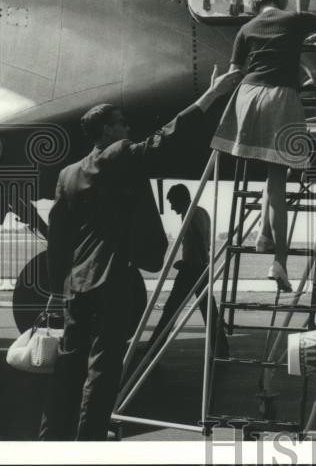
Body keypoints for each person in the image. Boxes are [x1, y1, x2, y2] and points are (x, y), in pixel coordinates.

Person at [39, 69, 243, 440]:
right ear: (105, 133)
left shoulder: (67, 175)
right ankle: (88, 443)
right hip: (111, 281)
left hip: (76, 287)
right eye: (121, 124)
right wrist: (211, 95)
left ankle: (51, 438)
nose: (129, 129)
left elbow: (59, 237)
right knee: (102, 371)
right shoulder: (115, 157)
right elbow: (167, 137)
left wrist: (57, 289)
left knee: (68, 368)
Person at [210, 0, 316, 291]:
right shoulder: (295, 20)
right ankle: (280, 263)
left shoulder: (246, 29)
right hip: (279, 98)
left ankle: (264, 235)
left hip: (246, 97)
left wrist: (212, 98)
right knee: (277, 180)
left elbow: (233, 74)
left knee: (269, 175)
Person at [145, 184, 229, 358]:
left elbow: (197, 237)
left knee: (171, 309)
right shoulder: (202, 212)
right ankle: (221, 350)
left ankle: (153, 348)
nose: (172, 207)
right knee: (210, 312)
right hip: (199, 267)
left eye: (172, 202)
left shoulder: (189, 213)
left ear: (180, 199)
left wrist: (193, 263)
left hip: (192, 270)